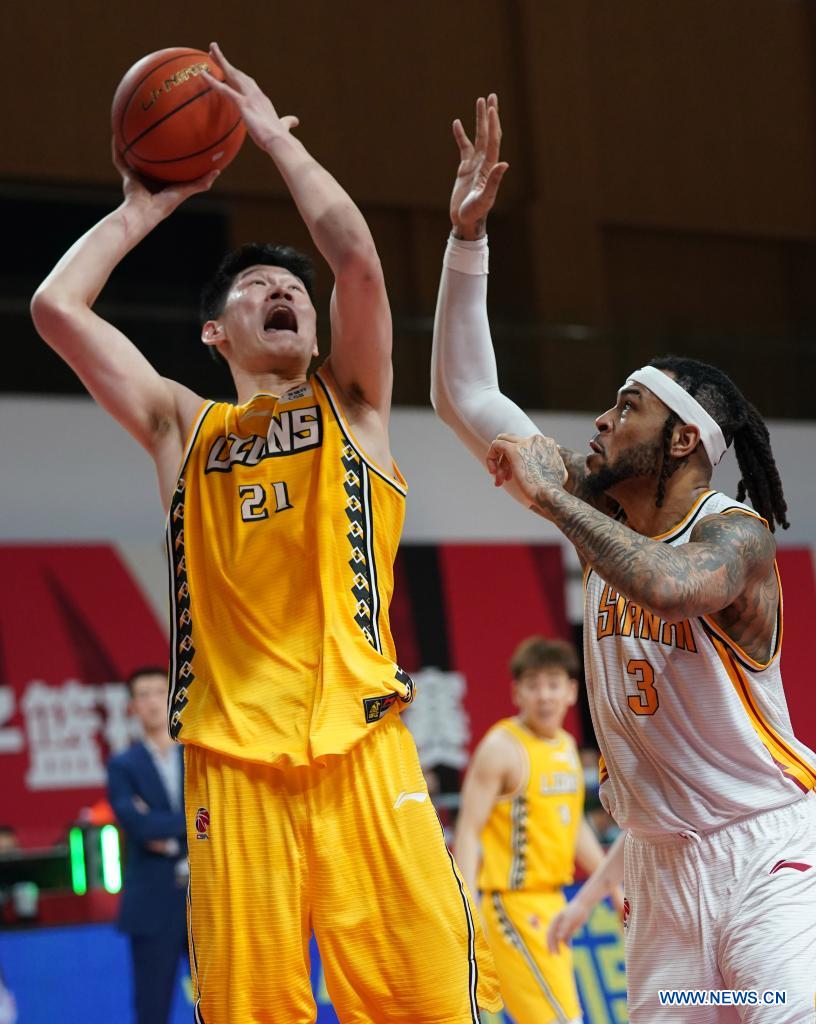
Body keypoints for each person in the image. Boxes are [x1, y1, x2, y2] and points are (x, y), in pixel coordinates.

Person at [32, 45, 500, 1023]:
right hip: (232, 770)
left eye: (290, 288)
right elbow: (55, 308)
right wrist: (144, 205)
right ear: (213, 335)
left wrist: (276, 138)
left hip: (368, 754)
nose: (279, 289)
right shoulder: (182, 425)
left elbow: (357, 259)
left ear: (318, 330)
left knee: (431, 1004)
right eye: (251, 286)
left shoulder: (353, 404)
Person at [432, 94, 816, 1023]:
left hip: (767, 854)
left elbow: (663, 585)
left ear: (683, 440)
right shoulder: (597, 497)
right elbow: (464, 392)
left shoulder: (735, 536)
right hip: (660, 869)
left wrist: (549, 493)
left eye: (624, 408)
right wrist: (467, 241)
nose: (600, 422)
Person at [454, 636, 620, 1024]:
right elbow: (467, 829)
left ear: (571, 691)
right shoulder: (502, 748)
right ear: (516, 692)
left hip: (554, 903)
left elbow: (571, 824)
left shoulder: (565, 747)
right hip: (510, 905)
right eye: (533, 684)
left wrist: (611, 884)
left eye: (553, 683)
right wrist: (467, 907)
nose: (544, 695)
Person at [107, 667, 188, 1024]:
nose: (154, 702)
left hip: (209, 898)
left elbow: (221, 814)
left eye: (160, 691)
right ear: (132, 707)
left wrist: (165, 829)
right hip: (152, 905)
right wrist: (194, 826)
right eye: (144, 695)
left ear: (174, 696)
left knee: (228, 1004)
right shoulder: (123, 765)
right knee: (151, 1010)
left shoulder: (200, 754)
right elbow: (137, 825)